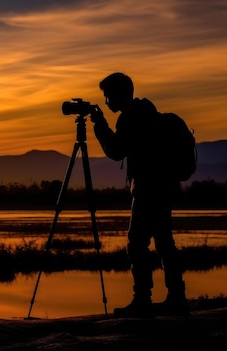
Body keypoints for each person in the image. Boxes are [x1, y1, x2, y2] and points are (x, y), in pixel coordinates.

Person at [88, 72, 189, 317]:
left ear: (122, 93)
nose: (107, 101)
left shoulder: (130, 118)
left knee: (137, 244)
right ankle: (176, 297)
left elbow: (115, 151)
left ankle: (143, 298)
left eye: (108, 96)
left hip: (148, 188)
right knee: (164, 242)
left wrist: (100, 124)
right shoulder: (149, 114)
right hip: (164, 186)